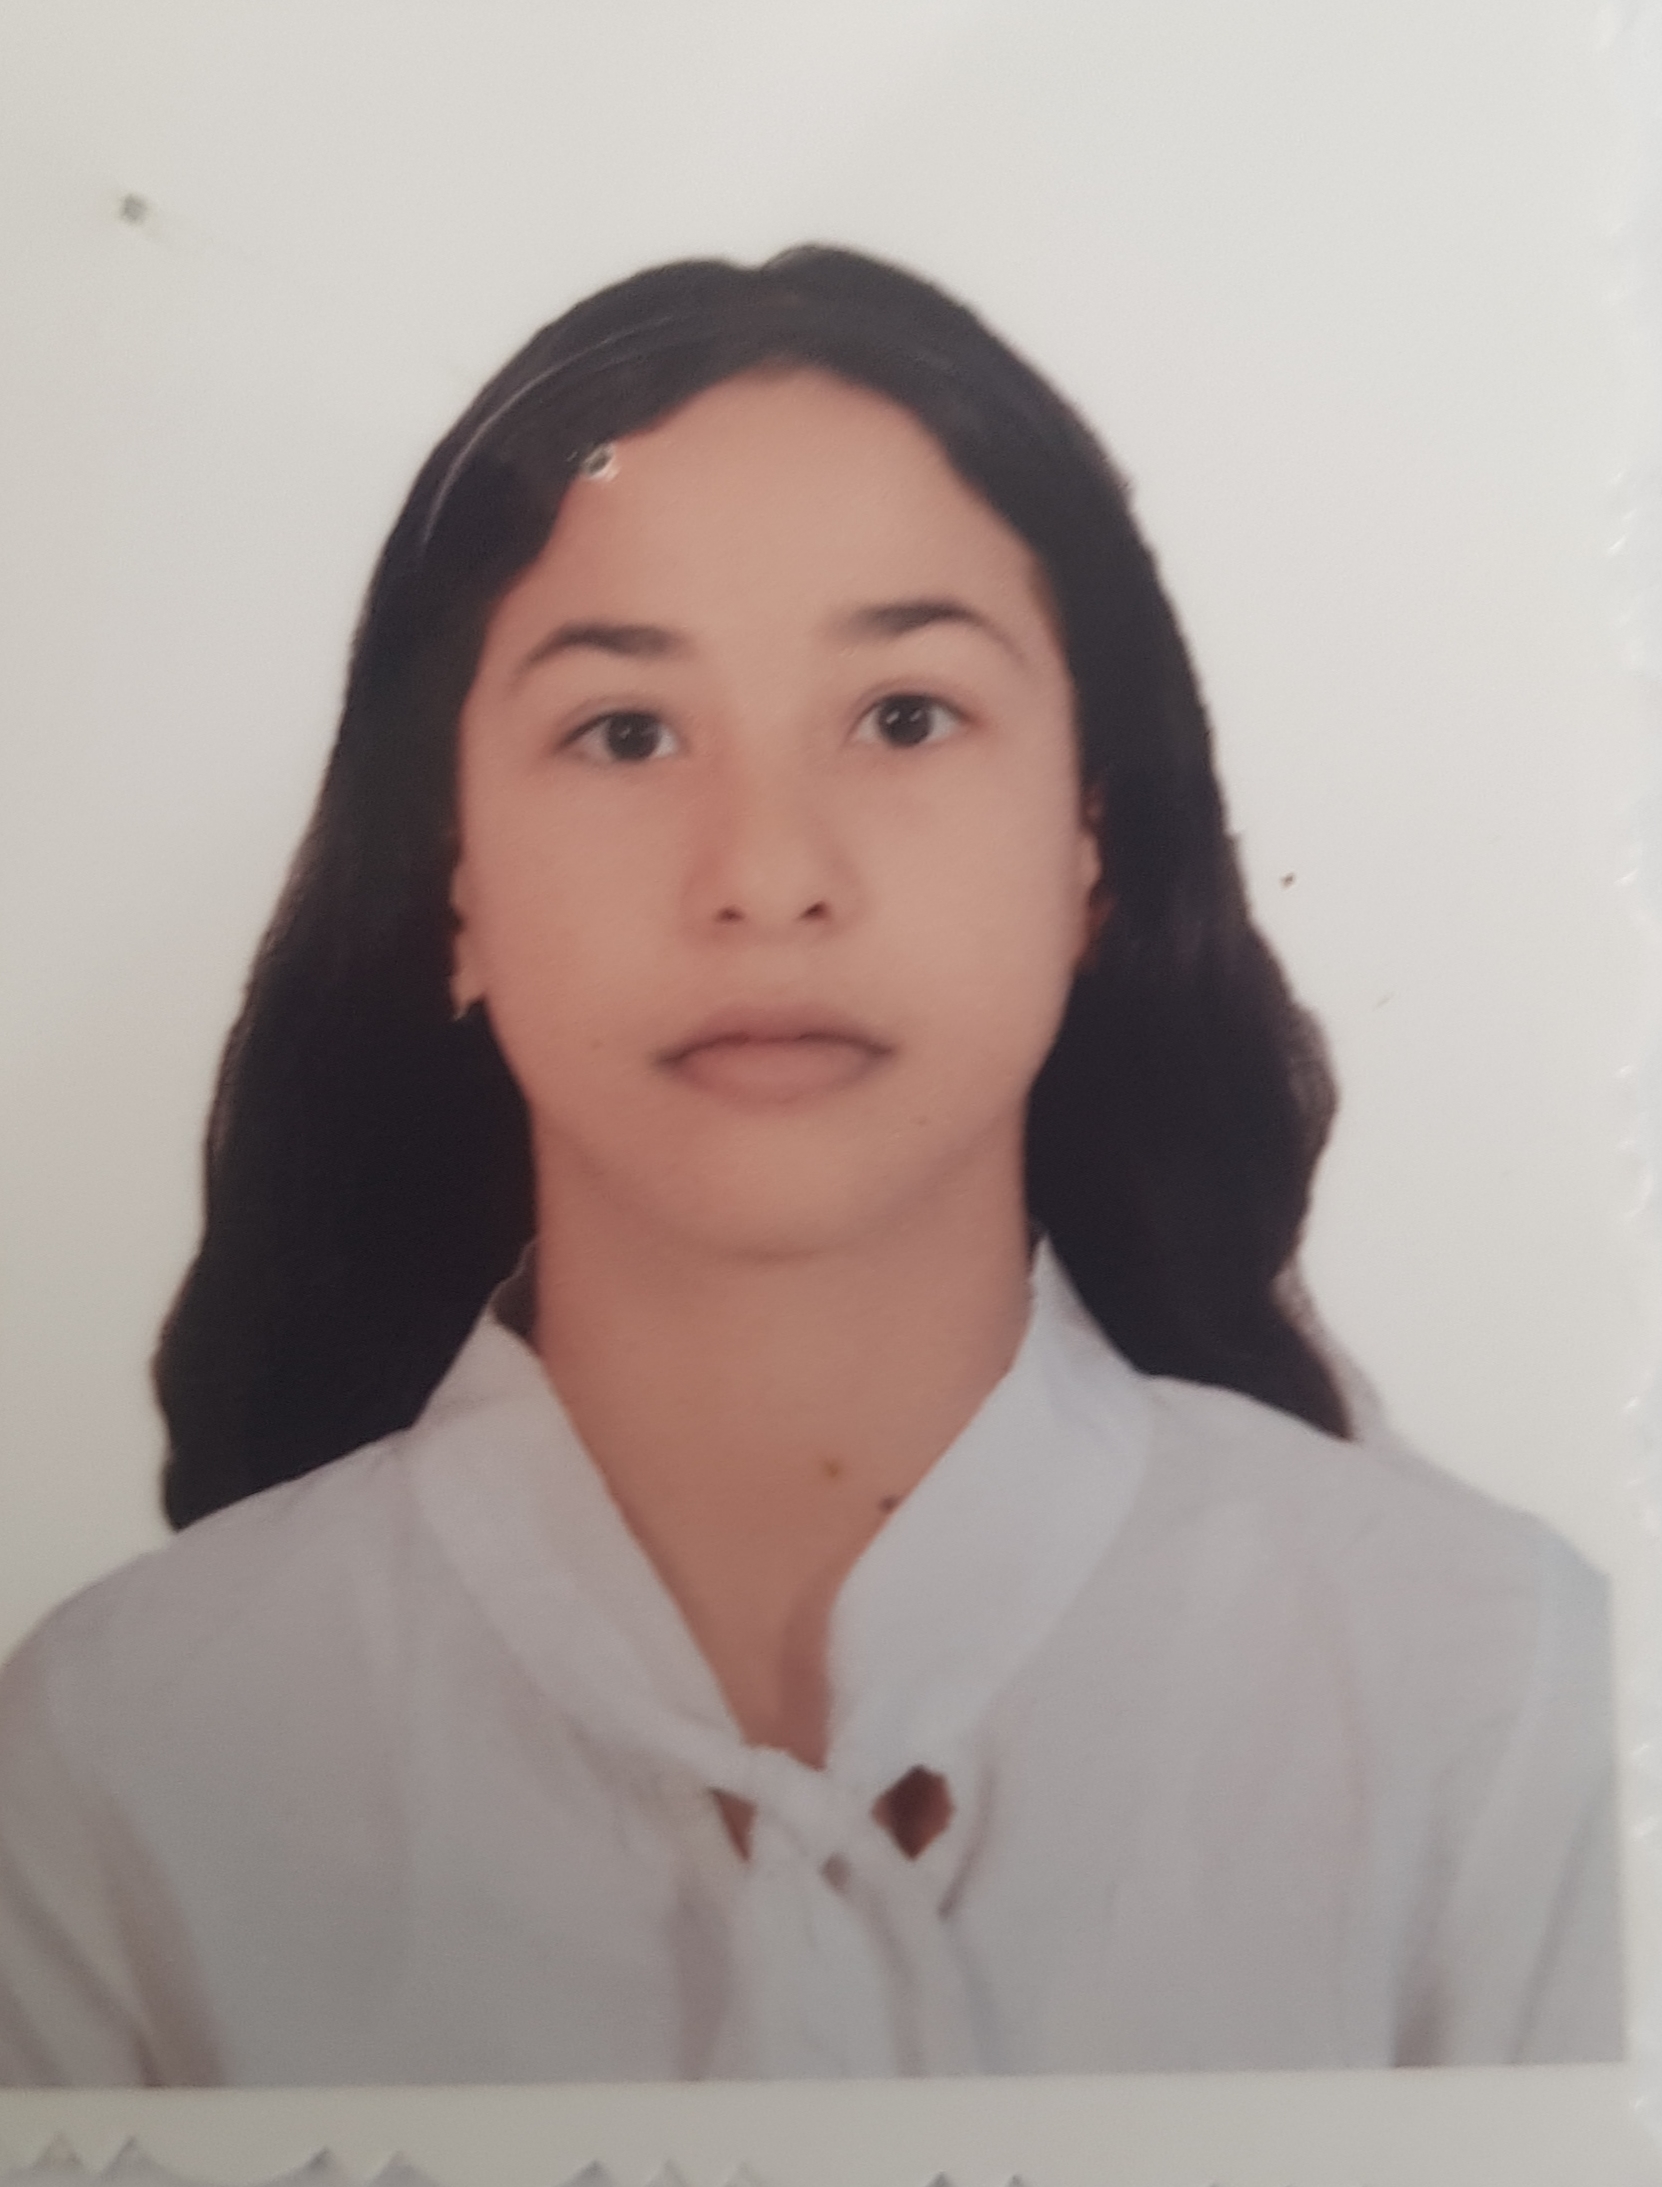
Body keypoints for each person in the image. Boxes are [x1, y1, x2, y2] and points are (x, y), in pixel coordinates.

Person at [0, 248, 1622, 2085]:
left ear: (1091, 845)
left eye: (904, 715)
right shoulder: (117, 1768)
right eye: (624, 732)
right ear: (449, 880)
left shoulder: (1494, 1706)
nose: (766, 876)